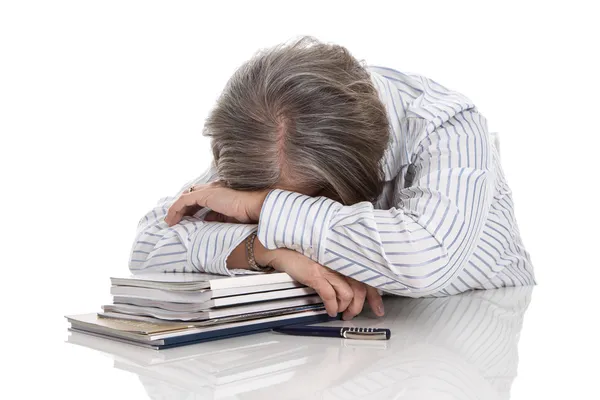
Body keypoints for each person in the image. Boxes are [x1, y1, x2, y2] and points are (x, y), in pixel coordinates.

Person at [129, 36, 535, 321]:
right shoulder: (267, 136)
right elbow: (149, 245)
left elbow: (424, 257)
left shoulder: (447, 122)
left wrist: (264, 208)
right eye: (270, 196)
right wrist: (264, 250)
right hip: (330, 349)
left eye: (310, 197)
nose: (281, 215)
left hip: (477, 332)